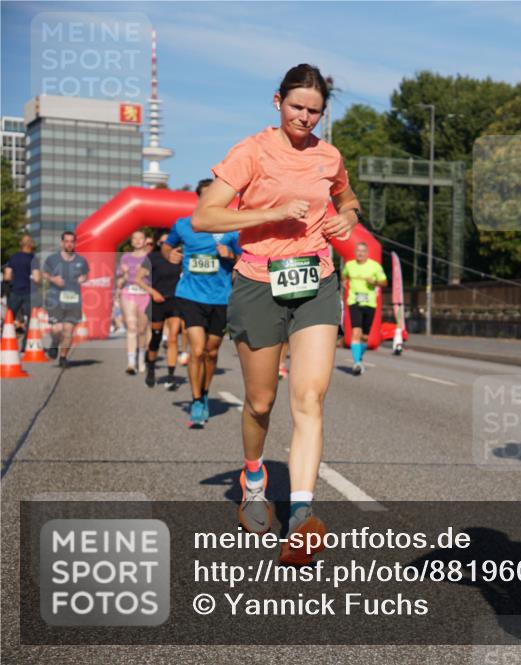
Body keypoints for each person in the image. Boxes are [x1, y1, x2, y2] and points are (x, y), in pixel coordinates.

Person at [193, 64, 361, 566]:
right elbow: (205, 216)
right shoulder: (252, 152)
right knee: (261, 404)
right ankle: (253, 476)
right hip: (258, 283)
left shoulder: (329, 155)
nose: (305, 118)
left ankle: (303, 514)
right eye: (296, 107)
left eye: (314, 111)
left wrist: (345, 218)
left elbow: (349, 200)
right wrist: (270, 213)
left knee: (309, 398)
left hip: (316, 281)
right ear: (277, 101)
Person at [164, 179, 242, 427]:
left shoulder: (231, 228)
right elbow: (167, 247)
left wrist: (231, 255)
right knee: (197, 350)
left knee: (211, 352)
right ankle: (196, 399)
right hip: (191, 294)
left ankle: (206, 393)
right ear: (199, 198)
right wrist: (171, 254)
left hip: (220, 297)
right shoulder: (185, 225)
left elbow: (244, 257)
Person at [143, 231, 184, 388]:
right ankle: (151, 368)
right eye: (162, 243)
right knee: (156, 337)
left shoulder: (180, 259)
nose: (167, 246)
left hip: (175, 301)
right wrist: (153, 292)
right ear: (158, 244)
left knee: (173, 338)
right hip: (157, 301)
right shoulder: (152, 258)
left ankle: (171, 375)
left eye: (170, 243)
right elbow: (139, 279)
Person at [42, 231, 89, 368]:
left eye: (72, 241)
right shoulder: (52, 259)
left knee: (68, 331)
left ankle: (63, 357)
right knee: (57, 329)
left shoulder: (81, 260)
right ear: (62, 243)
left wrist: (83, 278)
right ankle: (55, 343)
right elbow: (45, 273)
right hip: (55, 299)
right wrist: (53, 279)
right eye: (66, 241)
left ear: (75, 243)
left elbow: (86, 275)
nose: (69, 244)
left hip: (73, 300)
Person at [341, 241, 387, 375]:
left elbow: (385, 282)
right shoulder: (349, 265)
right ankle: (356, 363)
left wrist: (375, 282)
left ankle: (359, 355)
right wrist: (344, 280)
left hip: (370, 303)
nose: (360, 253)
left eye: (363, 251)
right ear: (355, 253)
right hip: (354, 301)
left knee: (365, 337)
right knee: (356, 332)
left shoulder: (375, 266)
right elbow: (344, 274)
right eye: (358, 251)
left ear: (367, 253)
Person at [118, 230, 153, 374]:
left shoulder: (150, 258)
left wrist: (145, 271)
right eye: (135, 238)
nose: (138, 241)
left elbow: (156, 278)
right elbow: (120, 281)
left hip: (145, 294)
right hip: (129, 292)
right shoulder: (125, 257)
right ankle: (131, 363)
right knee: (132, 328)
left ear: (145, 241)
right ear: (131, 242)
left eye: (141, 238)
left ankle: (141, 358)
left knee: (142, 330)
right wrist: (125, 275)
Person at [3, 234, 40, 349]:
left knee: (9, 318)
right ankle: (25, 345)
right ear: (31, 245)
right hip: (29, 293)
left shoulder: (13, 258)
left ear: (21, 245)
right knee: (30, 319)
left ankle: (4, 342)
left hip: (14, 292)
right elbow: (37, 278)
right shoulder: (33, 259)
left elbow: (7, 276)